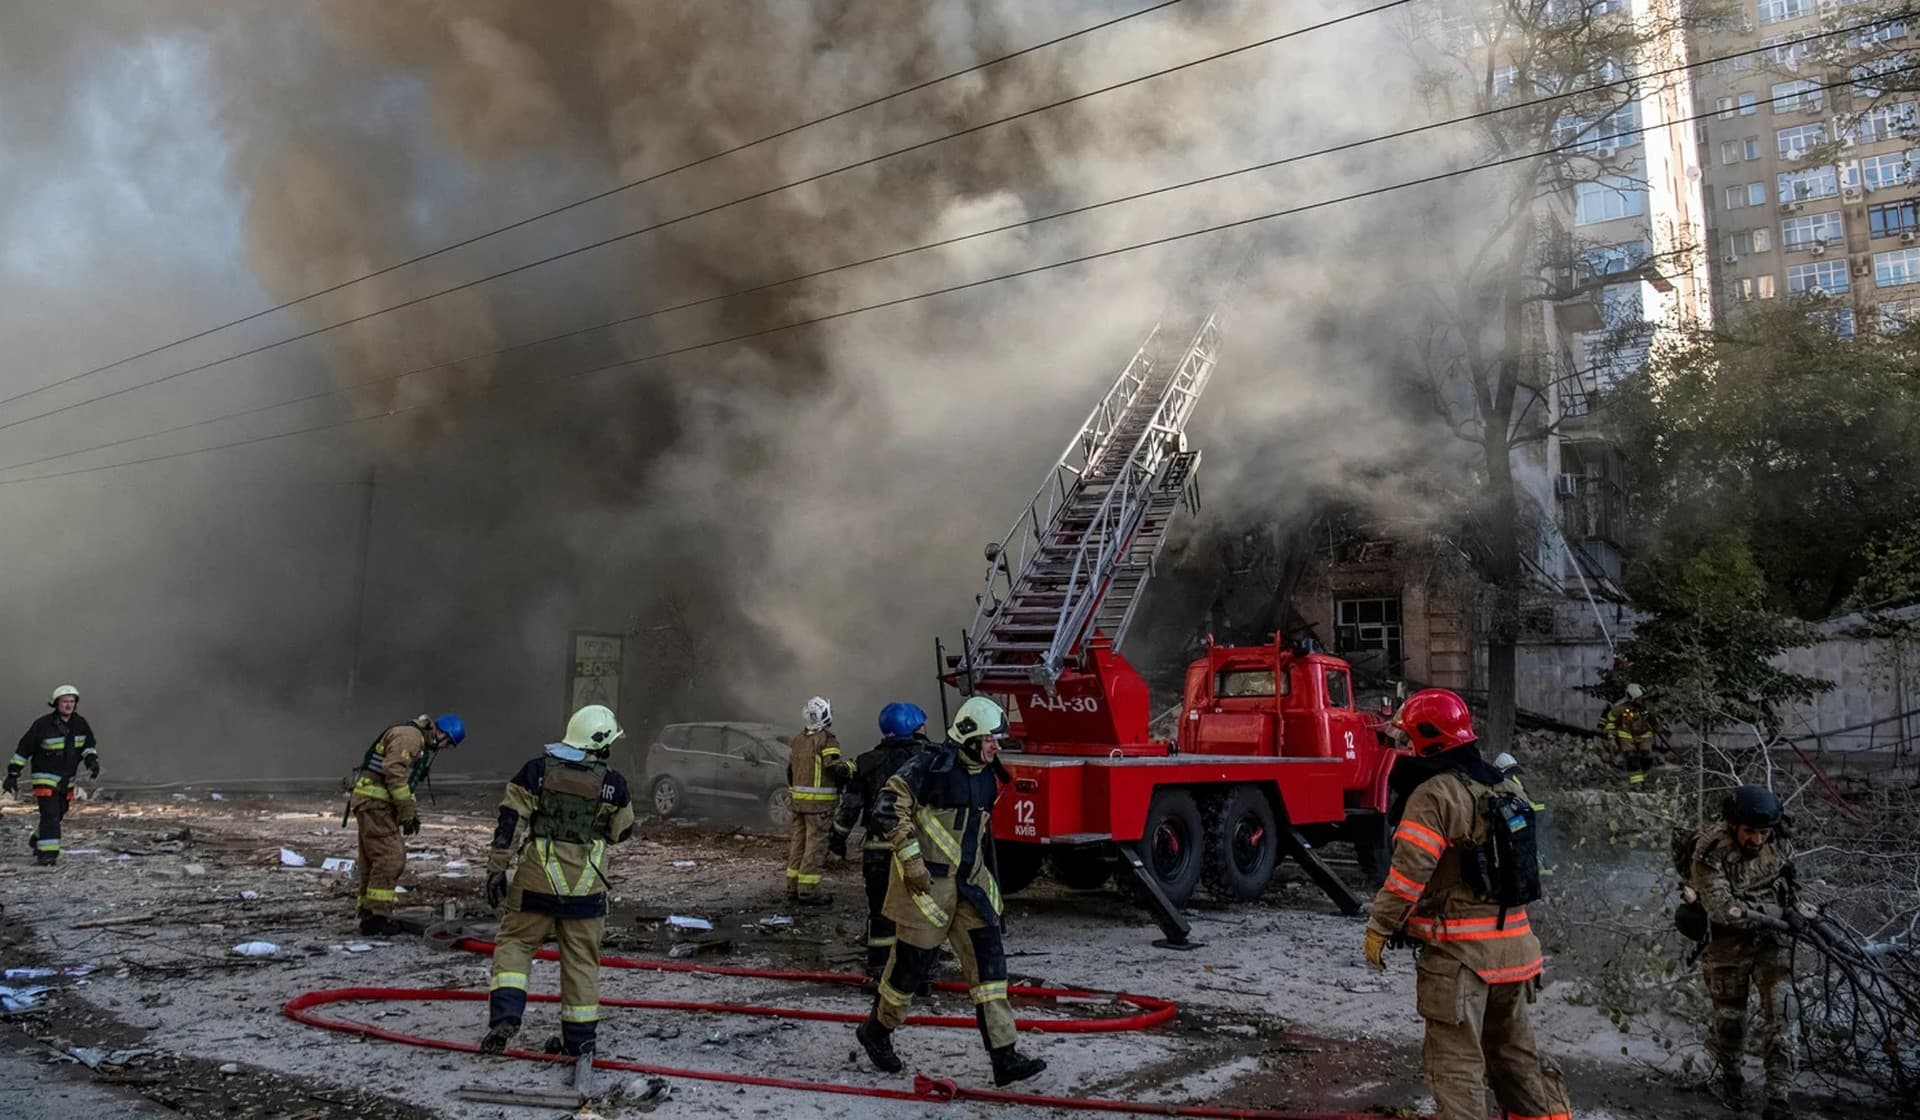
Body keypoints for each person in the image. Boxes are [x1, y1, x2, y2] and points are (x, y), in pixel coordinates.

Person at [1363, 688, 1573, 1120]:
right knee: (1514, 1056)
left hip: (1460, 959)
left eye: (1406, 739)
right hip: (1517, 953)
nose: (1401, 749)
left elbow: (1408, 875)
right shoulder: (1504, 785)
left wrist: (1380, 927)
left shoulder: (1435, 795)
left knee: (1456, 1065)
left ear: (1429, 742)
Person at [853, 696, 1046, 1088]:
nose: (996, 746)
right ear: (970, 737)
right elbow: (888, 806)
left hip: (971, 887)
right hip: (927, 888)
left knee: (990, 970)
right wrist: (911, 860)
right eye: (990, 739)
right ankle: (877, 1031)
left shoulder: (987, 773)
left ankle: (1004, 1056)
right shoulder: (930, 765)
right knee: (909, 971)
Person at [481, 704, 636, 1092]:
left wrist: (497, 868)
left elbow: (509, 822)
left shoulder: (535, 771)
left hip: (537, 880)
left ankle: (506, 1016)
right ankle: (580, 1041)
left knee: (516, 943)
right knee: (582, 960)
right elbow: (622, 832)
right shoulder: (614, 784)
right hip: (586, 886)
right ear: (601, 744)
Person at [1687, 785, 1798, 1119]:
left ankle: (1779, 1096)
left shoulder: (1779, 836)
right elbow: (1724, 909)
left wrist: (1798, 910)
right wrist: (1779, 914)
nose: (1757, 839)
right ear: (1734, 825)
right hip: (1728, 941)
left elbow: (1790, 879)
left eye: (1763, 832)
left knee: (1783, 1012)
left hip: (1771, 940)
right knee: (1730, 1020)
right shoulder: (1710, 849)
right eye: (1750, 831)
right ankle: (1731, 1078)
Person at [832, 701, 935, 976]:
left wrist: (837, 839)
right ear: (913, 727)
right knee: (921, 910)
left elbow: (850, 807)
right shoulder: (928, 760)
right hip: (917, 850)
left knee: (880, 910)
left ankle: (879, 966)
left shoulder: (866, 762)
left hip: (877, 851)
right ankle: (920, 972)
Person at [348, 713, 465, 934]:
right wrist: (406, 812)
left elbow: (405, 785)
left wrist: (412, 813)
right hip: (375, 803)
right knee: (391, 858)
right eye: (448, 743)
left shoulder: (416, 740)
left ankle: (369, 913)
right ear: (441, 733)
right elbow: (395, 772)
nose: (444, 748)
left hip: (375, 804)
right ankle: (378, 917)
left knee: (373, 859)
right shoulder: (410, 737)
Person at [7, 685, 100, 866]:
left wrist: (92, 761)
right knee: (50, 814)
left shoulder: (80, 724)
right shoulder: (42, 725)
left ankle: (38, 838)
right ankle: (48, 854)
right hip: (45, 777)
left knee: (60, 812)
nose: (69, 705)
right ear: (56, 703)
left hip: (66, 779)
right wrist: (13, 774)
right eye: (65, 701)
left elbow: (88, 746)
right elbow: (24, 749)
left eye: (72, 701)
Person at [785, 696, 849, 905]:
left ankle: (793, 887)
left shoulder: (798, 740)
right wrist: (851, 768)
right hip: (819, 807)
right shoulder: (827, 740)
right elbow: (834, 768)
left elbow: (790, 771)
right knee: (815, 847)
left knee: (798, 844)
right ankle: (808, 891)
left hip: (798, 804)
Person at [1599, 683, 1657, 784]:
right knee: (1631, 757)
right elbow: (1611, 722)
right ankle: (1636, 782)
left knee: (1646, 756)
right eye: (1639, 698)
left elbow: (1654, 720)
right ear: (1632, 699)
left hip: (1644, 734)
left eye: (1642, 698)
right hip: (1626, 735)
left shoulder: (1647, 706)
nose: (1642, 700)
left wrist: (1657, 725)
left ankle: (1646, 779)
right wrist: (1611, 737)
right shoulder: (1620, 708)